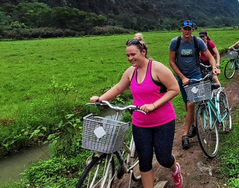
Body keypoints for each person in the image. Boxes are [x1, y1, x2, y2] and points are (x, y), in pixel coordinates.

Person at [90, 36, 183, 188]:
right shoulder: (130, 72)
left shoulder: (157, 68)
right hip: (140, 123)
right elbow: (119, 88)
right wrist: (101, 98)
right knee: (145, 160)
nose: (130, 58)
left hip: (163, 121)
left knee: (163, 158)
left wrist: (154, 105)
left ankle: (175, 169)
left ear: (143, 52)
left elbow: (174, 89)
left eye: (133, 54)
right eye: (127, 55)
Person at [169, 20, 220, 150]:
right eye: (185, 29)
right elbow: (171, 62)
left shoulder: (197, 41)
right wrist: (182, 77)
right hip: (182, 77)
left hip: (195, 75)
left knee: (191, 103)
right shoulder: (176, 42)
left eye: (189, 29)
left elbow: (210, 57)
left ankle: (185, 135)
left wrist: (214, 67)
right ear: (181, 29)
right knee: (187, 104)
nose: (187, 31)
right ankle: (193, 126)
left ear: (192, 30)